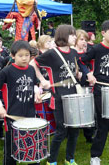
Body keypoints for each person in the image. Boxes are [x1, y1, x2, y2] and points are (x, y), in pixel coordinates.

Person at [79, 20, 109, 165]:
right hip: (100, 90)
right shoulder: (97, 49)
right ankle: (95, 156)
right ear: (103, 33)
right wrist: (88, 74)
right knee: (103, 124)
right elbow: (81, 61)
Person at [31, 24, 80, 165]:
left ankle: (70, 159)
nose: (75, 37)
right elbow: (33, 64)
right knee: (61, 130)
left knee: (74, 130)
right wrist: (42, 80)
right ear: (63, 36)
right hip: (58, 97)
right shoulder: (52, 53)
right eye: (72, 34)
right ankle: (51, 161)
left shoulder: (74, 52)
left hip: (73, 95)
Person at [0, 40, 42, 165]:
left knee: (32, 148)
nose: (24, 58)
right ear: (13, 56)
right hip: (12, 116)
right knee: (11, 151)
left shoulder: (31, 69)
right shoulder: (7, 71)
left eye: (27, 55)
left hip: (29, 115)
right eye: (20, 55)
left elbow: (34, 84)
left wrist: (36, 93)